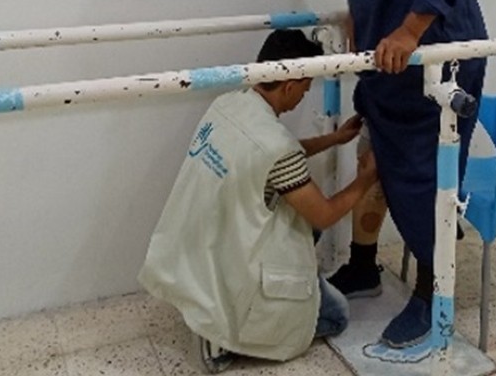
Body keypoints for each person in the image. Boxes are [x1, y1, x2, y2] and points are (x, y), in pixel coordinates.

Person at [284, 0, 488, 348]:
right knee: (375, 158)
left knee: (426, 179)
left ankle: (432, 295)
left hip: (437, 51)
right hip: (385, 56)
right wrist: (359, 13)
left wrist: (409, 29)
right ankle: (365, 266)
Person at [138, 29, 377, 372]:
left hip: (206, 239)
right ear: (290, 84)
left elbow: (277, 154)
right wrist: (366, 177)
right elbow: (323, 214)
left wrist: (335, 139)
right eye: (305, 89)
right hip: (236, 257)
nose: (302, 98)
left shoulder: (229, 104)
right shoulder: (276, 147)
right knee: (336, 316)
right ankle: (224, 335)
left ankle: (218, 311)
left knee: (301, 231)